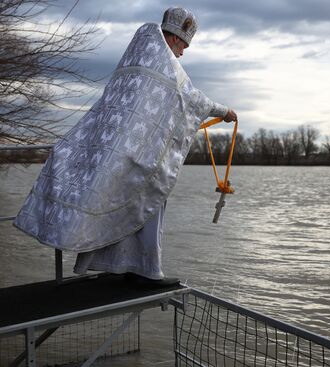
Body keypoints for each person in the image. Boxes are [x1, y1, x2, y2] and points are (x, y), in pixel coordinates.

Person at [13, 7, 237, 285]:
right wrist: (223, 111)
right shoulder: (165, 64)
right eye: (183, 47)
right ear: (176, 39)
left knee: (125, 203)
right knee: (150, 199)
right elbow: (190, 98)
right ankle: (148, 269)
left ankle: (119, 263)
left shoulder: (137, 56)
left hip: (118, 149)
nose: (182, 54)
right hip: (139, 155)